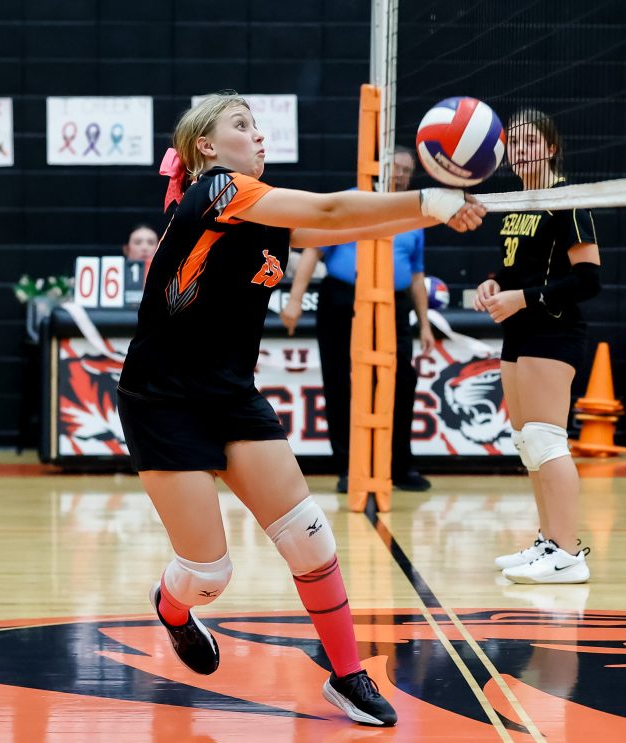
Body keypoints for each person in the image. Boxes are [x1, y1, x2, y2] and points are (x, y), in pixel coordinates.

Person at [116, 91, 485, 727]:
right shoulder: (217, 191)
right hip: (162, 402)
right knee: (208, 574)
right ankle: (173, 607)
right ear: (207, 146)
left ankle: (347, 675)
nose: (257, 135)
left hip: (231, 397)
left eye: (258, 125)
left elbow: (350, 226)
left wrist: (435, 214)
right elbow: (330, 207)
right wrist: (428, 199)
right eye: (241, 125)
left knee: (310, 537)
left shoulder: (264, 213)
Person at [473, 109, 599, 585]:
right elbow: (513, 270)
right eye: (515, 143)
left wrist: (522, 298)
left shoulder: (567, 200)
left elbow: (588, 280)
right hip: (519, 333)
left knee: (547, 440)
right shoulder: (515, 203)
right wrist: (492, 284)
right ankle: (549, 540)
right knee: (528, 445)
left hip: (554, 331)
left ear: (550, 148)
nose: (522, 151)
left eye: (531, 142)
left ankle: (568, 554)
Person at [281, 145, 434, 495]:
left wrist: (424, 323)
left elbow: (416, 276)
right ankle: (350, 467)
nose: (400, 174)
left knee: (401, 380)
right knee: (340, 382)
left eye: (407, 170)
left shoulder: (414, 211)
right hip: (342, 299)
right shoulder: (353, 200)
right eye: (395, 167)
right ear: (380, 167)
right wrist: (294, 301)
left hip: (393, 304)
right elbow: (312, 252)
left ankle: (400, 466)